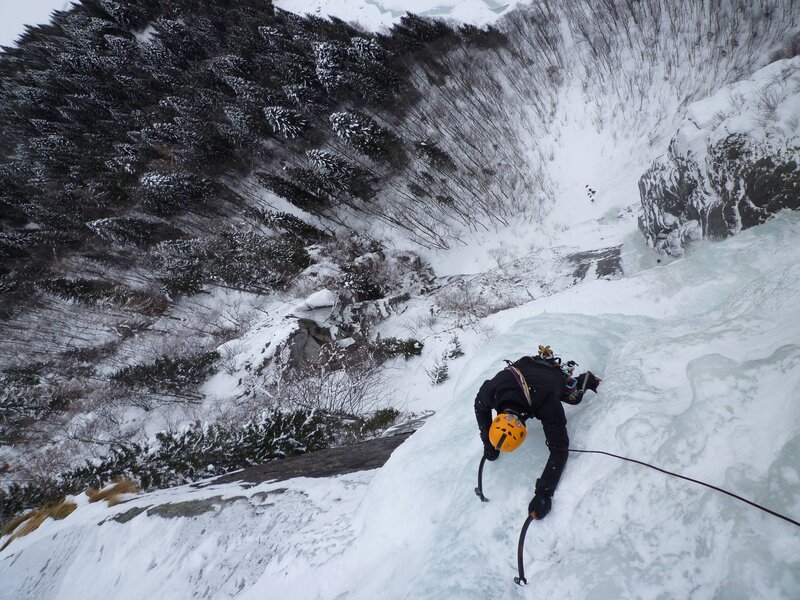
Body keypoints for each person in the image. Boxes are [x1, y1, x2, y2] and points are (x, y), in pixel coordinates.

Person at [474, 345, 601, 519]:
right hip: (526, 364)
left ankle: (587, 379)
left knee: (574, 398)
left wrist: (544, 492)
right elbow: (479, 407)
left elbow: (560, 448)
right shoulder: (491, 392)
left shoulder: (546, 402)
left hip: (551, 377)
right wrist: (488, 443)